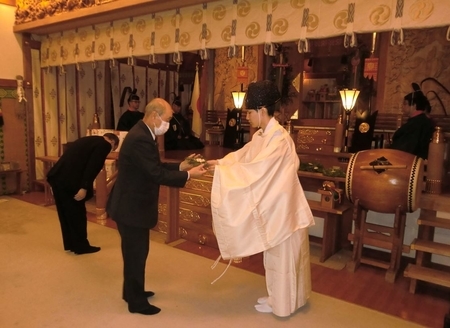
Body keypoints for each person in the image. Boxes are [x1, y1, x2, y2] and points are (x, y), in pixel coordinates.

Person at [206, 80, 315, 317]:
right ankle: (277, 298)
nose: (246, 116)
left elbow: (258, 170)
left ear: (262, 111)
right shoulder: (263, 136)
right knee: (274, 259)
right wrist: (220, 164)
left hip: (284, 208)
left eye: (249, 111)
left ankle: (283, 305)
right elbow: (244, 157)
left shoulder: (279, 139)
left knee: (285, 260)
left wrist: (224, 172)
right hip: (274, 206)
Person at [106, 98, 208, 316]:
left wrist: (181, 166)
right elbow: (156, 174)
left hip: (130, 204)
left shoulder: (144, 133)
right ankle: (136, 302)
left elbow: (153, 165)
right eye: (168, 119)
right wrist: (189, 174)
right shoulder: (141, 137)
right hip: (131, 207)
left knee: (135, 253)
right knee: (136, 253)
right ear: (154, 116)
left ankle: (132, 292)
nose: (169, 124)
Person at [47, 133, 119, 255]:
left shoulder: (86, 140)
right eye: (113, 149)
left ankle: (70, 244)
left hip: (58, 177)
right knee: (77, 214)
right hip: (71, 182)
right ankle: (81, 246)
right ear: (112, 142)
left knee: (65, 214)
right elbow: (93, 166)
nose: (110, 151)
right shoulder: (104, 144)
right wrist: (84, 187)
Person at [390, 89, 435, 159]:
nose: (402, 106)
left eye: (405, 104)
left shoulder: (418, 123)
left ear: (414, 105)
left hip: (411, 160)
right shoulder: (419, 120)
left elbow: (407, 147)